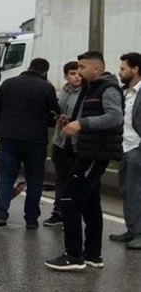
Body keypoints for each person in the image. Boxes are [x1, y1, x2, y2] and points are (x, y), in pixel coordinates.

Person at [45, 51, 123, 271]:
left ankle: (73, 256)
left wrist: (82, 124)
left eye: (82, 67)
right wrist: (71, 122)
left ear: (97, 69)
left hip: (94, 154)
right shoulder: (91, 88)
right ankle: (92, 255)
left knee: (70, 201)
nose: (78, 71)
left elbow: (115, 116)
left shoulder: (107, 89)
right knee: (90, 204)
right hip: (86, 150)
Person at [0, 58, 60, 229]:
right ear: (44, 72)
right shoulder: (46, 87)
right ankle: (31, 219)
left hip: (9, 138)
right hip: (35, 141)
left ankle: (0, 214)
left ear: (28, 68)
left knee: (6, 178)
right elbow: (55, 113)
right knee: (34, 179)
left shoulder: (8, 84)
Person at [43, 61, 83, 227]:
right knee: (60, 179)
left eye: (79, 73)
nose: (77, 77)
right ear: (66, 76)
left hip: (76, 144)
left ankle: (73, 213)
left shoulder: (85, 92)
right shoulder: (64, 91)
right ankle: (58, 211)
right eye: (73, 73)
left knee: (75, 180)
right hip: (60, 141)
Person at [110, 52, 141, 250]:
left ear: (135, 69)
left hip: (137, 147)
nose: (120, 72)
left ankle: (138, 233)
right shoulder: (123, 92)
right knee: (126, 191)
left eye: (123, 68)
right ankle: (131, 230)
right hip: (123, 147)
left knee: (136, 192)